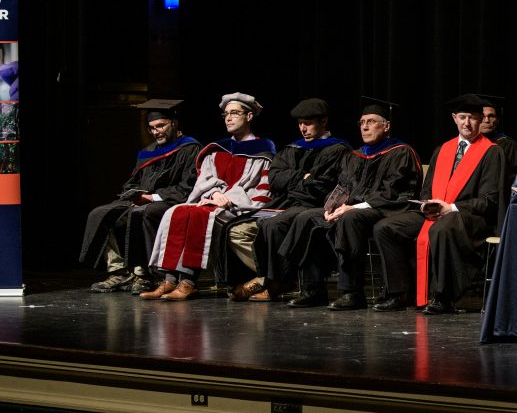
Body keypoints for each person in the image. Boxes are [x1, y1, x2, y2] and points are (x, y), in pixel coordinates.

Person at [278, 99, 423, 310]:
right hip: (351, 209)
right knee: (307, 217)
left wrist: (353, 208)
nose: (364, 127)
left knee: (350, 218)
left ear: (386, 126)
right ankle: (312, 288)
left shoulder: (400, 152)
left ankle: (352, 292)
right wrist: (331, 207)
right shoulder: (355, 155)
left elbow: (393, 194)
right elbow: (343, 187)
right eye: (362, 122)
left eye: (371, 121)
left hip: (384, 210)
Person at [372, 93, 504, 314]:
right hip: (437, 212)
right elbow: (426, 191)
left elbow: (489, 201)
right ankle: (400, 293)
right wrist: (426, 205)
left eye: (472, 118)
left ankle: (443, 297)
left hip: (471, 218)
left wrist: (450, 207)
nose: (467, 123)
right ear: (454, 118)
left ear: (481, 119)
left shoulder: (492, 152)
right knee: (385, 228)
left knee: (443, 228)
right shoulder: (443, 150)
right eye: (462, 117)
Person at [140, 93, 276, 301]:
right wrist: (214, 193)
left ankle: (188, 283)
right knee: (177, 211)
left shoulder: (263, 151)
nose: (228, 118)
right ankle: (168, 280)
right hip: (212, 202)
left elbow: (261, 190)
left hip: (239, 207)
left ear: (249, 116)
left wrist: (228, 198)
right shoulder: (216, 149)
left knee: (198, 215)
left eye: (235, 113)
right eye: (226, 114)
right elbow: (204, 180)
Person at [225, 98, 351, 301]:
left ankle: (275, 282)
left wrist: (292, 178)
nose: (303, 128)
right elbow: (274, 178)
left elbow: (321, 187)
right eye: (300, 123)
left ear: (324, 122)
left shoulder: (338, 150)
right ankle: (270, 278)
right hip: (285, 203)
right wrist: (303, 177)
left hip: (313, 205)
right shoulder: (293, 148)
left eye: (308, 123)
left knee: (274, 225)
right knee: (234, 229)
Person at [79, 100, 200, 293]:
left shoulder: (190, 149)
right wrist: (133, 194)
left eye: (160, 126)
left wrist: (151, 197)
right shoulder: (149, 152)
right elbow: (133, 180)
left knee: (143, 213)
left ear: (174, 124)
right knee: (100, 214)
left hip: (169, 202)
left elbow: (188, 187)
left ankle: (143, 274)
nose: (155, 132)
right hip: (141, 201)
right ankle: (119, 271)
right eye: (151, 128)